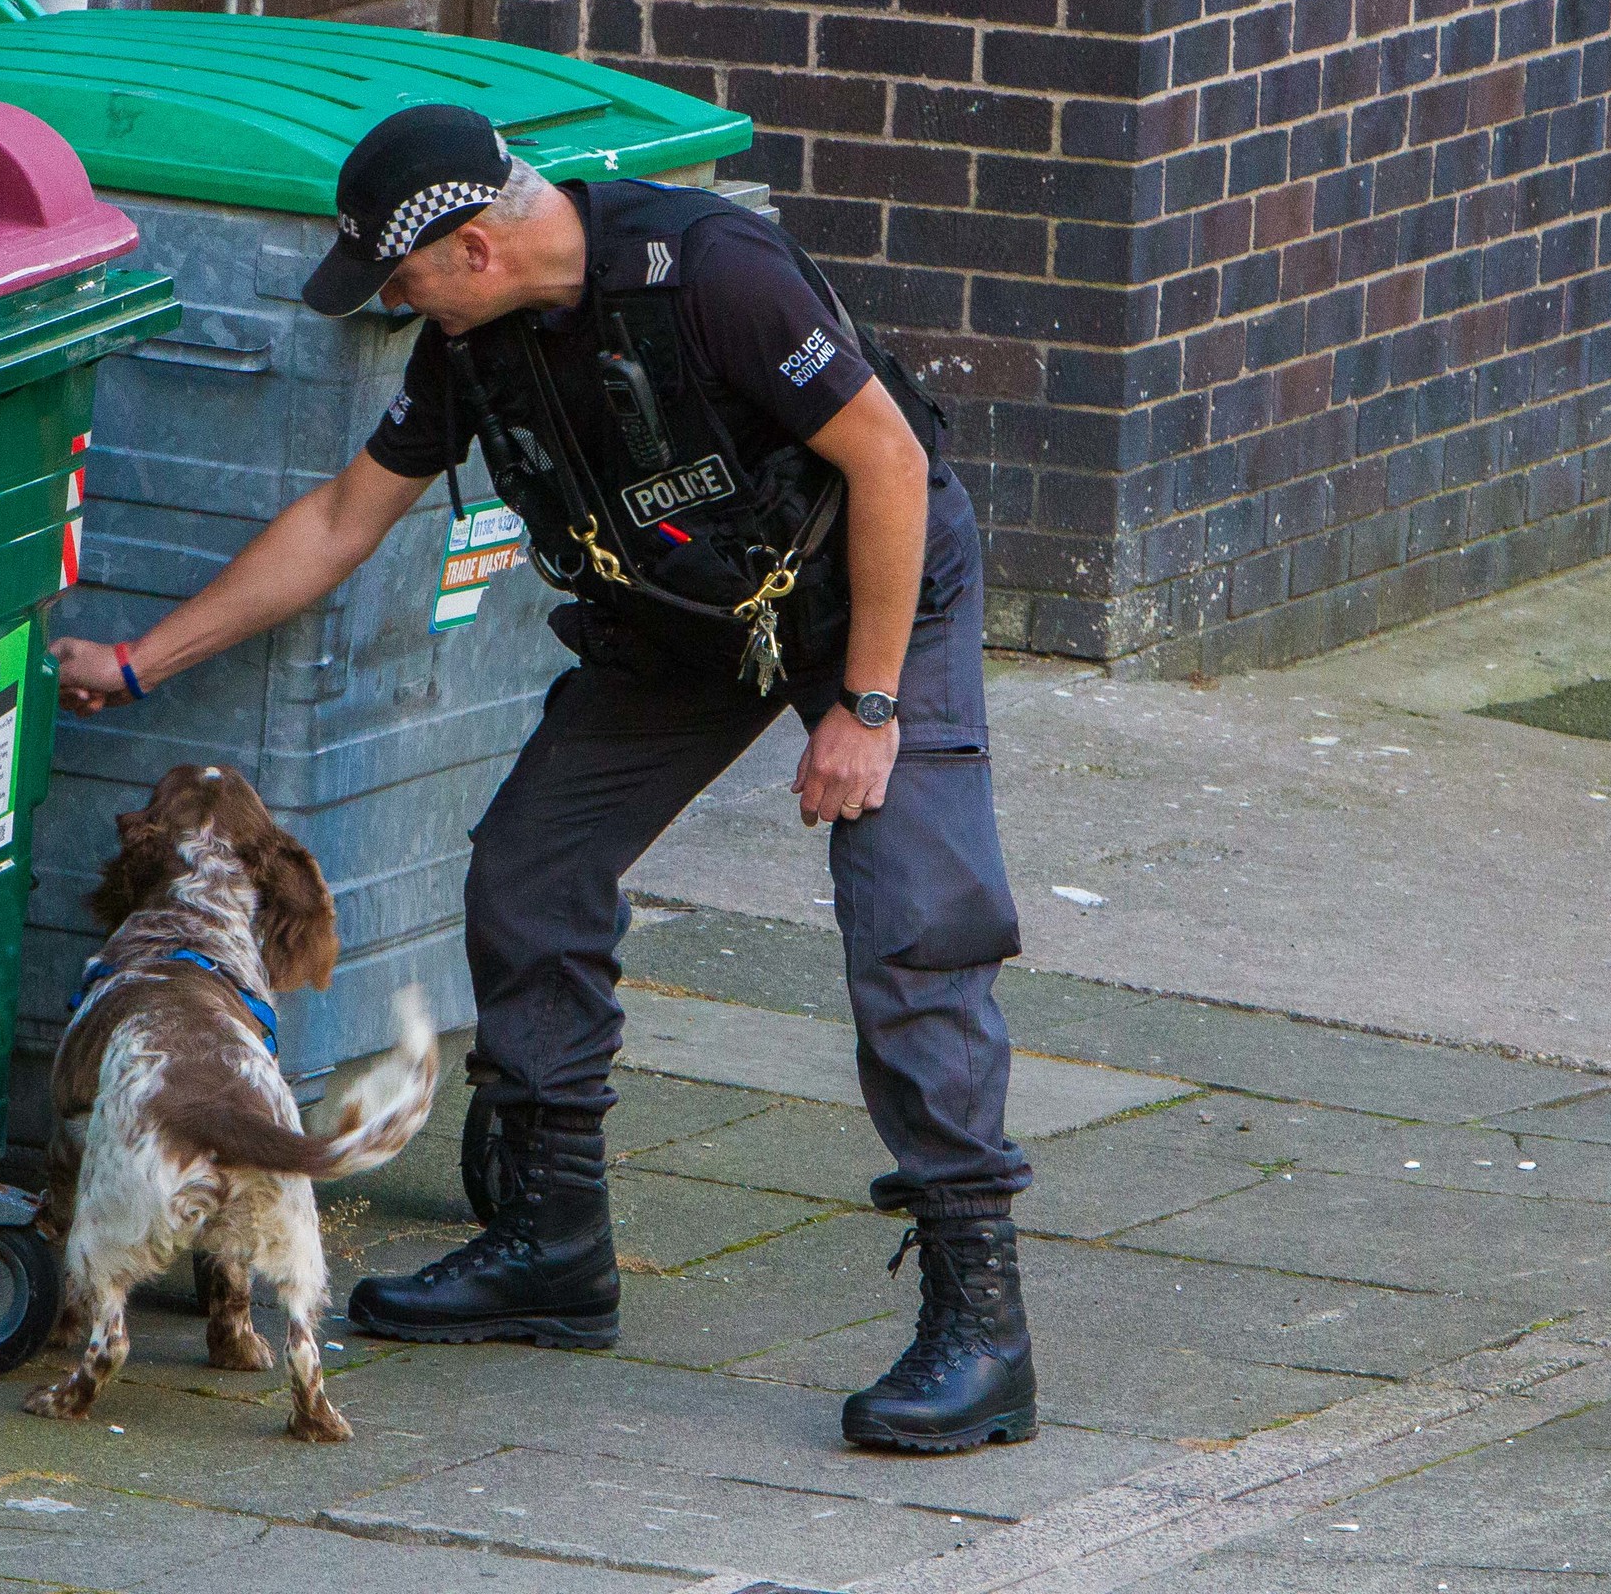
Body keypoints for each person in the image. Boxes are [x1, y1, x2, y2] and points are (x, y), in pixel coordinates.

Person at [51, 103, 1037, 1451]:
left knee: (913, 920)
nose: (393, 307)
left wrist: (864, 708)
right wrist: (140, 658)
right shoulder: (477, 345)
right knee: (528, 872)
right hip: (687, 616)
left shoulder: (714, 273)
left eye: (399, 282)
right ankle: (552, 1244)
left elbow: (889, 460)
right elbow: (344, 519)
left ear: (470, 248)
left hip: (869, 585)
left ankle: (979, 1321)